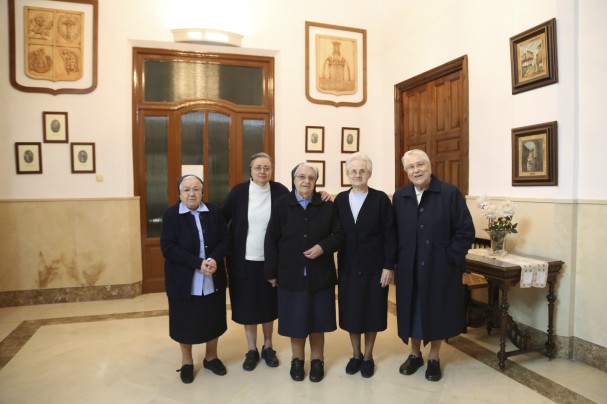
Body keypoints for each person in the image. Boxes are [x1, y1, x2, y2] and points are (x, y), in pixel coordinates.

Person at [393, 149, 474, 382]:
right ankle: (415, 354)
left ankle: (434, 358)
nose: (416, 170)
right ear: (406, 172)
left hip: (439, 267)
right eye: (411, 167)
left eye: (420, 165)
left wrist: (450, 257)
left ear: (429, 167)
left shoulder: (449, 193)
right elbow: (393, 232)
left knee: (436, 312)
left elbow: (465, 230)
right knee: (412, 311)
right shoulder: (400, 196)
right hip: (409, 267)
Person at [264, 162, 344, 383]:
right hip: (290, 273)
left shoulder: (327, 204)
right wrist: (271, 272)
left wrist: (323, 247)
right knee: (295, 322)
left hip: (321, 274)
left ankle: (317, 361)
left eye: (310, 177)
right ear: (293, 179)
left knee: (319, 321)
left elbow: (339, 234)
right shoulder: (282, 204)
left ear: (316, 181)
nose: (306, 181)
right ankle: (297, 361)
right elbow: (271, 238)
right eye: (301, 176)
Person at [160, 174, 231, 384]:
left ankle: (211, 357)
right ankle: (187, 361)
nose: (192, 193)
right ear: (179, 193)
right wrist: (197, 263)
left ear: (202, 192)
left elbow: (226, 239)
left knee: (213, 317)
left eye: (196, 189)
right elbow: (168, 247)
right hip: (183, 279)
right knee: (184, 320)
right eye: (187, 189)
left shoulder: (214, 212)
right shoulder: (171, 215)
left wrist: (214, 259)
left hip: (212, 275)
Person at [222, 153, 289, 371]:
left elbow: (300, 204)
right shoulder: (239, 192)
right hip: (243, 261)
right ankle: (251, 349)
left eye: (267, 168)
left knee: (269, 305)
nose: (263, 171)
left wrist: (323, 194)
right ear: (250, 170)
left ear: (272, 170)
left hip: (271, 261)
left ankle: (268, 346)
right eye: (258, 167)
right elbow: (221, 218)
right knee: (247, 306)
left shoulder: (280, 191)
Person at [334, 153, 396, 378]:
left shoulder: (380, 199)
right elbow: (334, 230)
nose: (357, 174)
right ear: (347, 174)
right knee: (351, 313)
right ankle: (356, 354)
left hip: (375, 268)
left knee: (372, 312)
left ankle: (368, 356)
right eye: (353, 171)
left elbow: (390, 235)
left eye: (362, 171)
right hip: (348, 267)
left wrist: (388, 266)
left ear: (369, 174)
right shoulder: (339, 200)